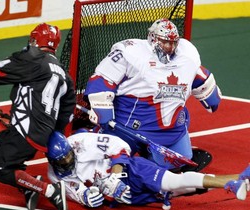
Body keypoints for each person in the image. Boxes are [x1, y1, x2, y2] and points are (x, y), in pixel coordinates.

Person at [83, 18, 222, 171]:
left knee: (179, 163)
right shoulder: (130, 53)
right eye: (165, 42)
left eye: (173, 42)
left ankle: (151, 154)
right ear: (153, 39)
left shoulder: (187, 55)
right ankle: (88, 136)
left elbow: (199, 77)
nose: (169, 47)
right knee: (100, 169)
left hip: (171, 132)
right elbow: (102, 79)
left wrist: (210, 94)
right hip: (128, 128)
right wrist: (102, 110)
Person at [0, 23, 76, 210]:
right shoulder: (64, 75)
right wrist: (52, 134)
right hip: (36, 135)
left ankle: (50, 191)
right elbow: (67, 113)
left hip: (24, 131)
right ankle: (28, 186)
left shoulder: (34, 58)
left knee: (1, 168)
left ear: (35, 40)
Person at [44, 131, 249, 210]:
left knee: (172, 181)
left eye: (69, 156)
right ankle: (241, 179)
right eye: (62, 160)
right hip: (120, 196)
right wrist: (91, 197)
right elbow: (78, 194)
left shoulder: (80, 142)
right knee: (180, 189)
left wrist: (116, 177)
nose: (67, 161)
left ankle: (230, 184)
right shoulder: (54, 175)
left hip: (130, 170)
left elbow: (119, 146)